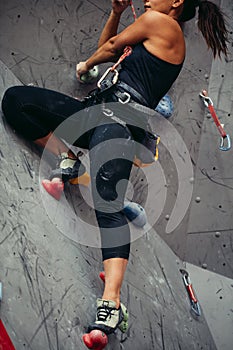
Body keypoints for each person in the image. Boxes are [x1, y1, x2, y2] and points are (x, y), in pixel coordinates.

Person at [1, 0, 228, 336]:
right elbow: (108, 47)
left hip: (123, 121)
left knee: (107, 200)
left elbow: (107, 49)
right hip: (98, 111)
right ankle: (71, 162)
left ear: (177, 2)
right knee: (17, 100)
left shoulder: (164, 25)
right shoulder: (154, 28)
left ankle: (112, 305)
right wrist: (117, 13)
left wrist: (86, 66)